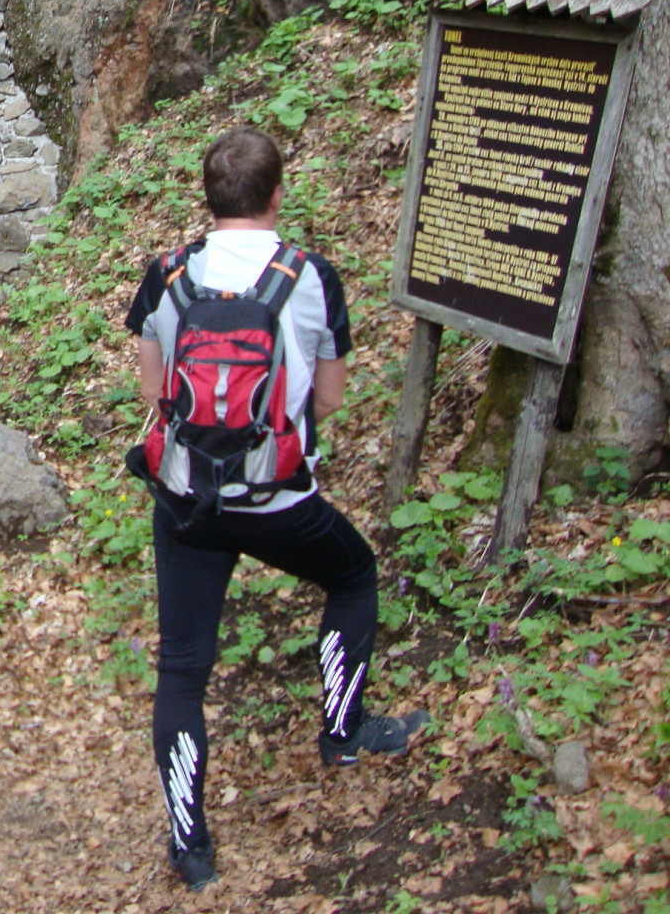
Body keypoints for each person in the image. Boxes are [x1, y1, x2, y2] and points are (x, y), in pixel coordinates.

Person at [124, 128, 426, 891]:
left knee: (183, 670)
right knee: (353, 575)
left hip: (188, 503)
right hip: (279, 499)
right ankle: (343, 732)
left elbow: (153, 391)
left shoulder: (168, 274)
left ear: (208, 196)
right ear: (278, 194)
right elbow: (329, 398)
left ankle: (191, 847)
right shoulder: (312, 277)